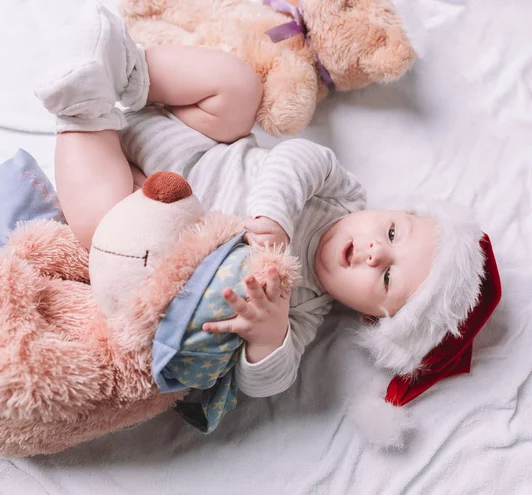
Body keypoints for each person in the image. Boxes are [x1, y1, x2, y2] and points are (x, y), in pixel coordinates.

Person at [35, 3, 501, 436]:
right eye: (394, 233)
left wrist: (268, 330)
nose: (376, 251)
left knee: (99, 233)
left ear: (368, 315)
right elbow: (298, 157)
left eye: (386, 278)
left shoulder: (303, 306)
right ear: (394, 211)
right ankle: (130, 71)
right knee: (239, 87)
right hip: (190, 136)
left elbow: (268, 382)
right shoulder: (344, 196)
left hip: (142, 208)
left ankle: (83, 112)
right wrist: (272, 219)